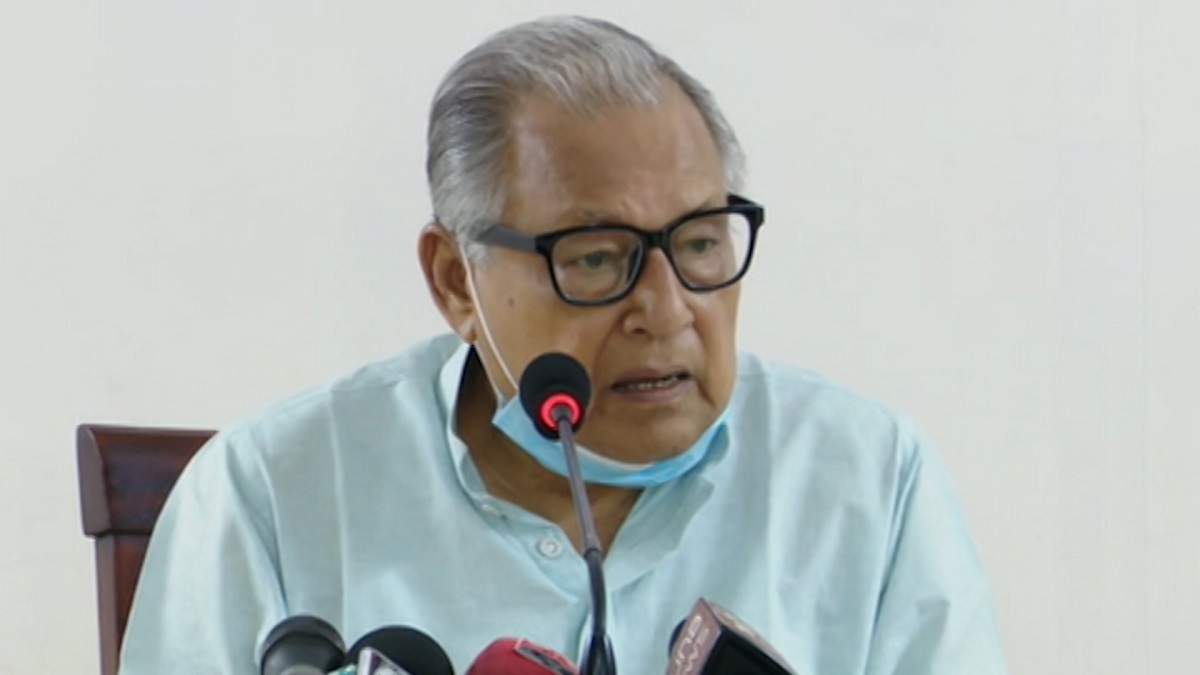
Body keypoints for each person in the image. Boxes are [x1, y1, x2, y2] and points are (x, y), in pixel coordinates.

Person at [119, 15, 1007, 674]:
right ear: (456, 281)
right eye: (596, 258)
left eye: (701, 242)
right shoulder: (270, 498)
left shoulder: (871, 482)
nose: (665, 310)